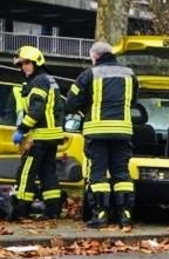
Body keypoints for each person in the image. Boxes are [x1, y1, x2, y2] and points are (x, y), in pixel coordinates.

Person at [65, 41, 138, 229]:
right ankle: (125, 215)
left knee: (97, 174)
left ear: (95, 56)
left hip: (97, 132)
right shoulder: (130, 74)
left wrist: (86, 109)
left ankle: (101, 214)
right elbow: (134, 100)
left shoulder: (88, 75)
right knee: (121, 173)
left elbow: (70, 103)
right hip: (122, 132)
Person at [9, 46, 65, 221]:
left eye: (27, 63)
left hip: (40, 136)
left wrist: (22, 129)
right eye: (21, 64)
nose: (24, 67)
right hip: (52, 135)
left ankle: (20, 209)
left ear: (36, 62)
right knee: (48, 172)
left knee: (26, 172)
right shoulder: (48, 79)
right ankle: (53, 210)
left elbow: (37, 109)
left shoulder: (38, 81)